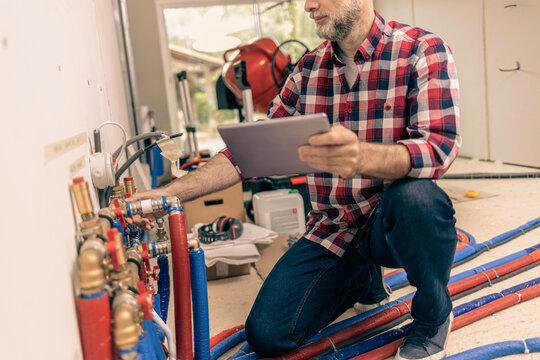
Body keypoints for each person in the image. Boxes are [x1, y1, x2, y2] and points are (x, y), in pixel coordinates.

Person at [130, 0, 461, 358]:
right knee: (269, 336)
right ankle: (363, 278)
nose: (308, 5)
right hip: (335, 228)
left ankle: (432, 316)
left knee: (419, 198)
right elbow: (248, 154)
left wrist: (363, 157)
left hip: (391, 222)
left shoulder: (421, 50)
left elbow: (438, 147)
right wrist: (165, 196)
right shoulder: (308, 70)